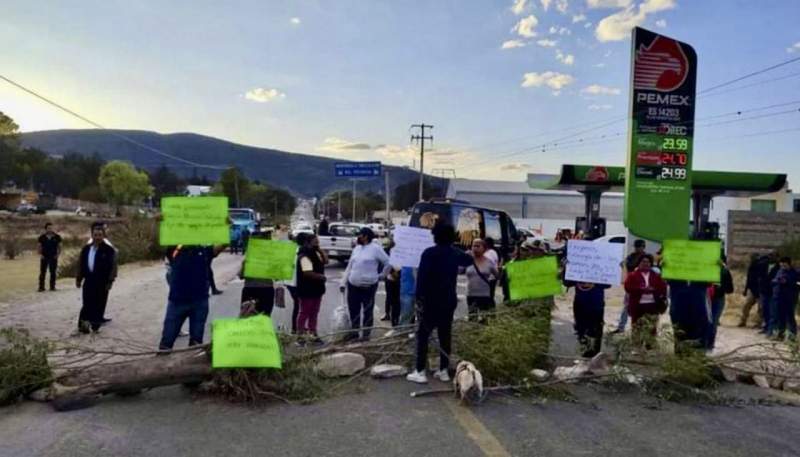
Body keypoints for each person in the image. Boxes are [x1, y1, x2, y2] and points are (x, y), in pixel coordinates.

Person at [407, 222, 473, 384]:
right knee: (445, 335)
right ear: (452, 237)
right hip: (449, 300)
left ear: (435, 236)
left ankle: (420, 371)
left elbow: (421, 279)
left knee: (423, 335)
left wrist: (418, 299)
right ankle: (443, 370)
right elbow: (469, 259)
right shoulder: (455, 253)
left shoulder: (429, 253)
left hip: (431, 300)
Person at [159, 244, 225, 350]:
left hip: (199, 302)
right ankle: (161, 364)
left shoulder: (204, 250)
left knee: (196, 344)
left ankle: (191, 365)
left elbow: (218, 248)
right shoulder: (174, 248)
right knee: (166, 343)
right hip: (177, 302)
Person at [340, 227, 390, 341]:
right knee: (353, 309)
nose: (358, 237)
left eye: (360, 235)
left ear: (366, 236)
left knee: (367, 310)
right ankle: (354, 332)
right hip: (353, 285)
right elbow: (350, 266)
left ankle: (366, 334)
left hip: (369, 286)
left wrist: (381, 275)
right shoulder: (357, 248)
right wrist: (343, 282)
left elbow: (388, 262)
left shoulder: (376, 249)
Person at [75, 223, 117, 334]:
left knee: (99, 304)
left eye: (99, 235)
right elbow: (80, 264)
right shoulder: (86, 249)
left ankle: (95, 326)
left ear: (103, 236)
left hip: (102, 282)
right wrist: (78, 279)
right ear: (92, 235)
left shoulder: (109, 250)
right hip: (89, 280)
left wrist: (110, 281)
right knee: (87, 304)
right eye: (95, 235)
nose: (97, 237)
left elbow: (113, 267)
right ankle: (83, 326)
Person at [624, 254, 667, 349]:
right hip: (638, 305)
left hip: (652, 305)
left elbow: (663, 288)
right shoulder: (632, 275)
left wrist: (653, 290)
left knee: (651, 327)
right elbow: (628, 287)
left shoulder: (656, 276)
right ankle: (636, 346)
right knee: (637, 326)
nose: (645, 264)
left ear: (651, 264)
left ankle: (650, 346)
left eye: (647, 262)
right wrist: (641, 289)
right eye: (643, 262)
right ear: (639, 263)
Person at [565, 280, 610, 358]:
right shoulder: (576, 268)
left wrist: (593, 283)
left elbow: (607, 284)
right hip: (580, 304)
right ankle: (584, 356)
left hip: (596, 304)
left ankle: (594, 358)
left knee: (595, 332)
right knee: (581, 331)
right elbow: (567, 282)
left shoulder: (602, 268)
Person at [296, 234, 327, 343]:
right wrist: (321, 277)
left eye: (318, 242)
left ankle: (313, 334)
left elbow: (325, 261)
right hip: (306, 289)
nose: (317, 244)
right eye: (315, 242)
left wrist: (320, 251)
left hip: (316, 289)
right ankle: (300, 336)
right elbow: (307, 272)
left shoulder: (315, 253)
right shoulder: (304, 256)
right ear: (307, 243)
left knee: (314, 312)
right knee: (305, 312)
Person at [612, 239, 647, 335]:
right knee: (627, 306)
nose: (637, 249)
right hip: (631, 285)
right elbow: (627, 264)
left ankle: (639, 329)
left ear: (643, 247)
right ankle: (621, 327)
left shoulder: (646, 257)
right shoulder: (631, 256)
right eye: (636, 247)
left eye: (639, 247)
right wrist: (622, 264)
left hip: (642, 286)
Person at [463, 239, 499, 322]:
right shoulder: (467, 260)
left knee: (484, 320)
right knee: (472, 319)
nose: (475, 248)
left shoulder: (489, 262)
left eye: (478, 246)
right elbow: (458, 270)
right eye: (473, 246)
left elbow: (497, 276)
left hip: (484, 295)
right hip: (471, 295)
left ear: (484, 248)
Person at [239, 234, 275, 316]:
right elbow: (277, 277)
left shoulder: (248, 258)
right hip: (266, 290)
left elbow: (241, 276)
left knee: (248, 316)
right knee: (265, 316)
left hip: (250, 291)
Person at [705, 255, 734, 351]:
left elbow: (730, 289)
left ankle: (709, 345)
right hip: (705, 298)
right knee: (705, 321)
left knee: (712, 322)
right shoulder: (704, 269)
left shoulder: (724, 271)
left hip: (717, 298)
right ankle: (704, 344)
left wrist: (720, 286)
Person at [769, 257, 798, 341]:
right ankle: (780, 335)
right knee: (780, 317)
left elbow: (797, 284)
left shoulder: (795, 273)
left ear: (788, 264)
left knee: (790, 317)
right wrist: (776, 281)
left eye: (784, 265)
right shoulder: (780, 271)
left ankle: (792, 336)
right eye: (781, 265)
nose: (783, 267)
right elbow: (774, 280)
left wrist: (788, 282)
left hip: (790, 298)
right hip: (779, 297)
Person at [739, 253, 766, 328]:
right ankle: (743, 321)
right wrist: (745, 290)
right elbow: (749, 279)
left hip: (759, 289)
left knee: (761, 308)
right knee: (746, 306)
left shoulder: (761, 266)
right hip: (752, 289)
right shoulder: (752, 266)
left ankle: (759, 323)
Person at [37, 222, 62, 292]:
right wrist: (40, 254)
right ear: (46, 229)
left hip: (53, 256)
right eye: (48, 228)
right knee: (42, 272)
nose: (50, 229)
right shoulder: (42, 237)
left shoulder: (57, 237)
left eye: (51, 228)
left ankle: (52, 287)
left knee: (53, 272)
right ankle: (41, 287)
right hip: (44, 256)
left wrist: (57, 254)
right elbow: (39, 246)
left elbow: (60, 247)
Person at [483, 237, 501, 304]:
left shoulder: (489, 253)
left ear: (487, 244)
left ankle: (491, 312)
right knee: (490, 297)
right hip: (492, 278)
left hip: (489, 278)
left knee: (488, 298)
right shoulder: (493, 252)